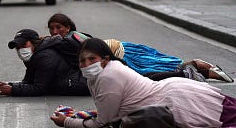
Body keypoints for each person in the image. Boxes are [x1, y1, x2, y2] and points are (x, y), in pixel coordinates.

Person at [51, 38, 236, 128]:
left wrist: (66, 121)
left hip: (177, 102)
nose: (86, 64)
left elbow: (101, 122)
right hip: (174, 93)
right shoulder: (104, 72)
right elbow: (109, 113)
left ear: (105, 59)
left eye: (92, 59)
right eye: (82, 61)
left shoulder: (109, 76)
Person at [47, 13, 234, 83]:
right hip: (117, 47)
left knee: (151, 73)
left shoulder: (71, 38)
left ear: (68, 27)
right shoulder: (72, 36)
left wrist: (46, 41)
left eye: (59, 28)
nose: (55, 32)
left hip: (118, 52)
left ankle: (199, 67)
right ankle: (201, 68)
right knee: (157, 67)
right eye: (52, 29)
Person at [0, 29, 89, 96]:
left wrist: (12, 90)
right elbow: (28, 81)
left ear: (34, 43)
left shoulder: (45, 56)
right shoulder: (35, 55)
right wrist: (9, 85)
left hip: (82, 85)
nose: (20, 49)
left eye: (24, 45)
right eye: (17, 47)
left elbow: (39, 88)